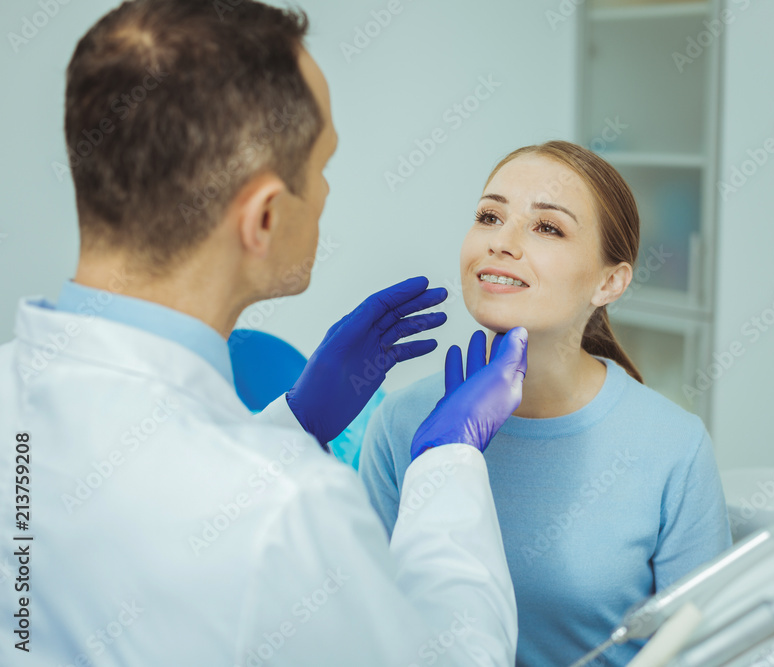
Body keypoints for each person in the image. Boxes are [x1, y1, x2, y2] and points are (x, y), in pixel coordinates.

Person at [0, 1, 528, 665]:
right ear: (266, 216)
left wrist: (292, 424)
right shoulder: (287, 517)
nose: (328, 192)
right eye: (322, 164)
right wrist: (448, 464)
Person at [360, 141, 732, 666]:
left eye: (547, 227)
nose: (502, 243)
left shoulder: (673, 446)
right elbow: (368, 629)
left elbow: (705, 653)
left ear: (609, 281)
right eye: (490, 216)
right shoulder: (404, 422)